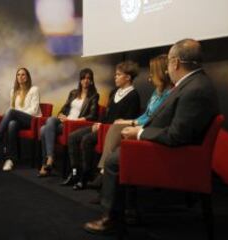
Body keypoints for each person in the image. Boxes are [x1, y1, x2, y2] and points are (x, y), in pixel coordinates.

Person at [84, 39, 219, 234]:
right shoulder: (192, 84)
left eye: (169, 63)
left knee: (115, 160)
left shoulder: (195, 89)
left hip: (178, 157)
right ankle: (126, 208)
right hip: (175, 150)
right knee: (122, 147)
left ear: (176, 63)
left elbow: (176, 135)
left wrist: (140, 133)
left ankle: (111, 219)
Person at [89, 54, 173, 190]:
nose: (150, 77)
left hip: (151, 129)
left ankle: (104, 173)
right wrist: (130, 121)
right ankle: (103, 172)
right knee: (116, 126)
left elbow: (155, 119)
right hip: (142, 124)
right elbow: (146, 114)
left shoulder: (169, 94)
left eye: (152, 73)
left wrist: (132, 123)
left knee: (116, 129)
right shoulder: (157, 92)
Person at [63, 61, 141, 190]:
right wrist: (99, 123)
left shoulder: (133, 95)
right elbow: (106, 114)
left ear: (127, 77)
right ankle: (75, 172)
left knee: (87, 140)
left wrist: (105, 126)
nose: (115, 77)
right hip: (103, 126)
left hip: (114, 132)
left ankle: (86, 176)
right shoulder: (114, 92)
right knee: (73, 137)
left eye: (118, 75)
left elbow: (128, 120)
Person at [38, 68, 99, 177]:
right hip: (65, 121)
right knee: (50, 120)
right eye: (83, 78)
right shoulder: (73, 93)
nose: (86, 80)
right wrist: (61, 115)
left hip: (75, 125)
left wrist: (71, 121)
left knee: (44, 130)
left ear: (91, 81)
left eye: (88, 78)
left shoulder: (94, 96)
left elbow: (92, 116)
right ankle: (50, 159)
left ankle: (46, 163)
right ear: (80, 80)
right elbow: (64, 108)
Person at [0, 67, 41, 171]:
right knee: (12, 124)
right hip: (19, 120)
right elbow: (12, 108)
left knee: (11, 114)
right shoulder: (13, 91)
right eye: (18, 75)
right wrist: (8, 114)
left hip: (32, 120)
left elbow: (34, 110)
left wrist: (15, 114)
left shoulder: (34, 89)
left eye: (23, 74)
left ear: (27, 77)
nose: (20, 77)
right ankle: (10, 160)